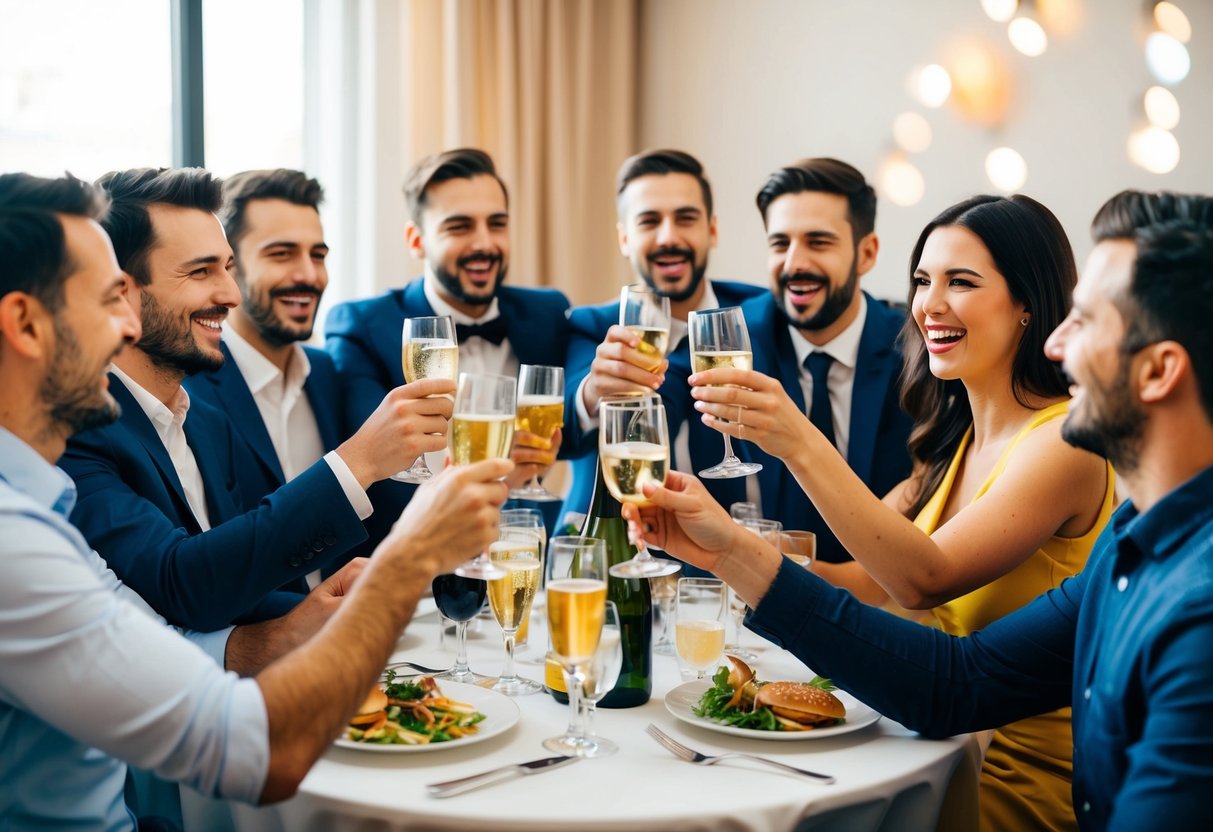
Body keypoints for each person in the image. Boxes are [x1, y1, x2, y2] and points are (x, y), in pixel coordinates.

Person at [625, 189, 1213, 831]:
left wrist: (795, 442)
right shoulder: (1119, 538)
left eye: (960, 282)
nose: (1058, 343)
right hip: (948, 738)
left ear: (1027, 306)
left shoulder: (1080, 464)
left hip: (1007, 781)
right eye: (923, 280)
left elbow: (922, 579)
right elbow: (930, 655)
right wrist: (728, 549)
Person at [0, 171, 511, 830]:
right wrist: (403, 560)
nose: (124, 325)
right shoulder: (21, 530)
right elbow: (247, 738)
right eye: (107, 299)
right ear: (24, 323)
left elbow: (158, 621)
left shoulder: (50, 496)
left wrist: (291, 625)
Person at [59, 167, 454, 630]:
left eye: (227, 268)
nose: (230, 294)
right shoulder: (72, 429)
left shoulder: (204, 423)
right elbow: (180, 584)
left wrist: (321, 606)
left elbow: (234, 583)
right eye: (201, 271)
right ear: (122, 293)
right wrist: (357, 462)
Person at [325, 147, 570, 533]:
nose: (484, 244)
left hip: (522, 551)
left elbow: (577, 403)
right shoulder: (361, 325)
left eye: (497, 224)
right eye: (459, 227)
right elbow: (377, 468)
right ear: (416, 240)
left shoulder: (547, 312)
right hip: (410, 560)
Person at [721, 158, 913, 562]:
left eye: (818, 242)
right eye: (780, 244)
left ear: (867, 253)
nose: (794, 263)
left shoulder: (917, 353)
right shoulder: (736, 341)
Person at [560, 149, 763, 520]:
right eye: (649, 221)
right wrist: (594, 390)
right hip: (612, 549)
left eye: (685, 219)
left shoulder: (759, 313)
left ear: (712, 230)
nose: (669, 237)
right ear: (624, 239)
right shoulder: (591, 324)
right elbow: (564, 424)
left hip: (746, 542)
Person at [183, 169, 355, 587]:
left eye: (318, 255)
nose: (309, 275)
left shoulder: (330, 374)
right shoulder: (188, 389)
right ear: (230, 267)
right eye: (281, 254)